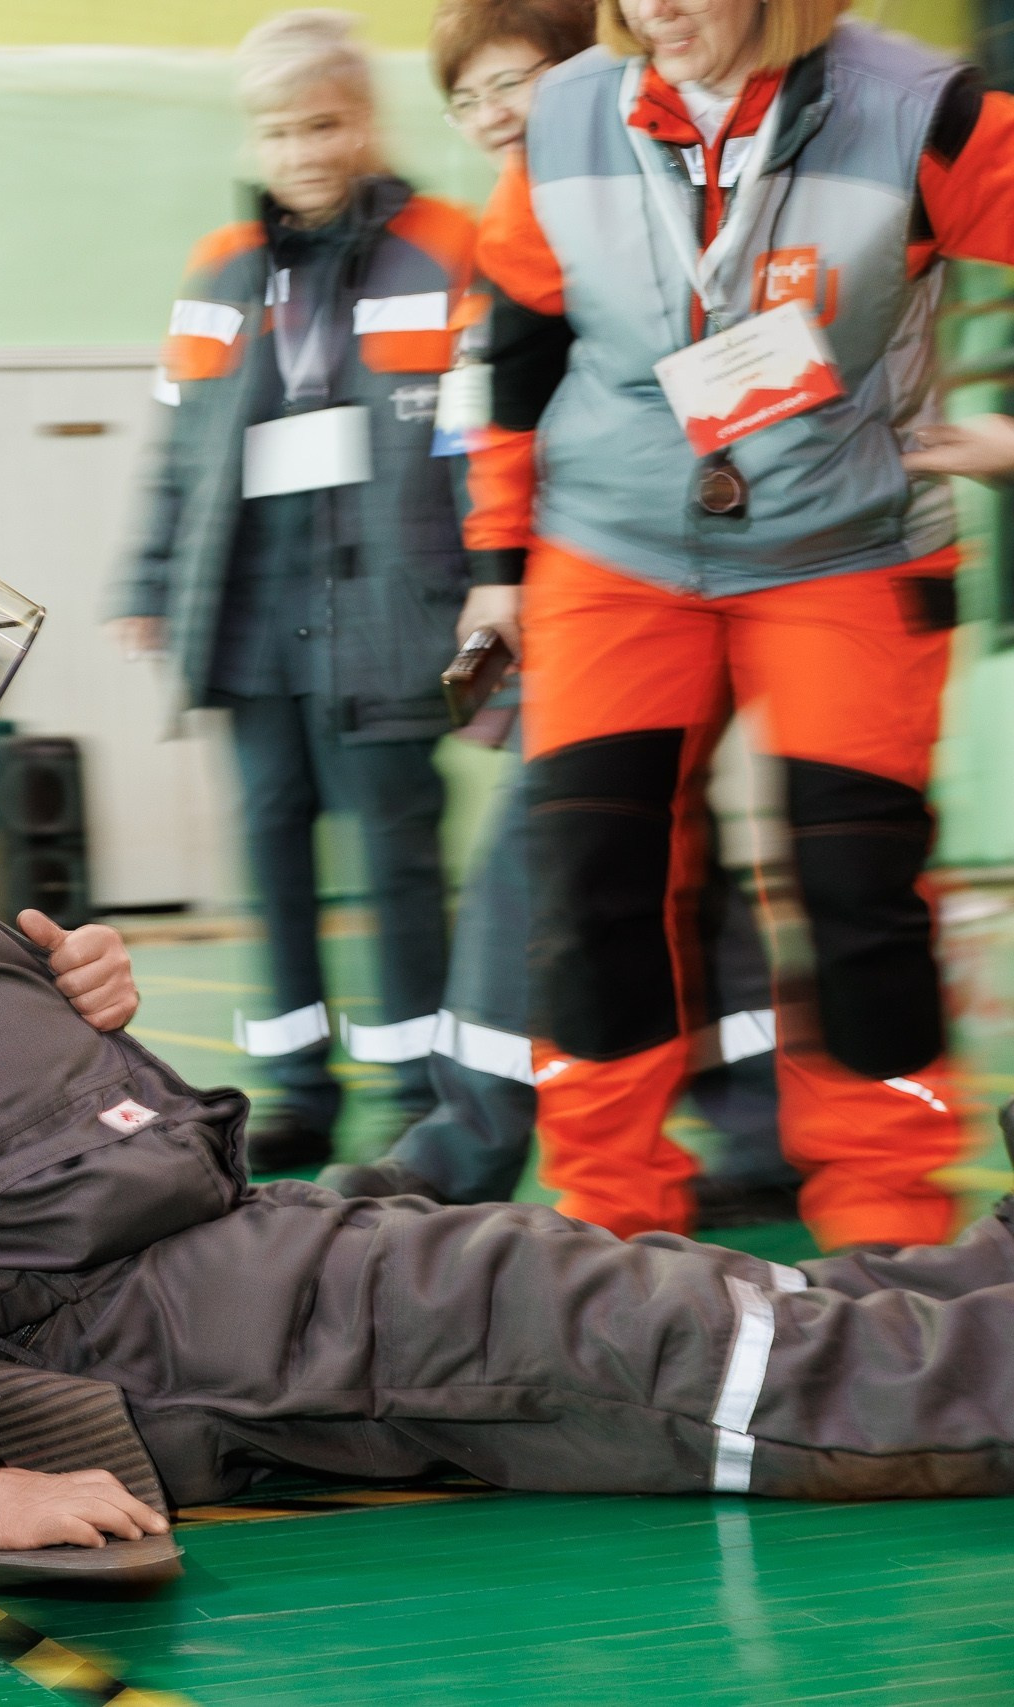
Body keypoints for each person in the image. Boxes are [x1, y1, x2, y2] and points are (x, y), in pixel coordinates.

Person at [0, 477, 1014, 1549]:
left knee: (615, 1287)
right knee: (621, 1321)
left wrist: (60, 1003)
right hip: (138, 1305)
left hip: (188, 1247)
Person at [467, 0, 1014, 1249]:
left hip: (848, 546)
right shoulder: (563, 115)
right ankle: (609, 1223)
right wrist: (497, 561)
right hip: (609, 546)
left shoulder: (920, 108)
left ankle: (889, 1227)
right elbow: (514, 342)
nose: (659, 6)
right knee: (593, 880)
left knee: (855, 885)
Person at [319, 0, 797, 1228]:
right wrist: (494, 576)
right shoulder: (513, 223)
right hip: (569, 590)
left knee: (537, 847)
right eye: (465, 98)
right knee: (656, 856)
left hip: (662, 587)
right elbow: (500, 432)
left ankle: (466, 1142)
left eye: (513, 84)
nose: (489, 116)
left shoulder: (658, 209)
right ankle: (762, 1108)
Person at [110, 11, 470, 1174]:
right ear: (254, 139)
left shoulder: (449, 246)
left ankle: (419, 1090)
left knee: (398, 857)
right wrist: (150, 577)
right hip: (253, 612)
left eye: (322, 123)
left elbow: (484, 441)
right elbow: (175, 443)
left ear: (363, 122)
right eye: (279, 129)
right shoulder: (218, 268)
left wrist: (491, 585)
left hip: (391, 608)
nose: (304, 149)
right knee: (270, 852)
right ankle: (295, 1088)